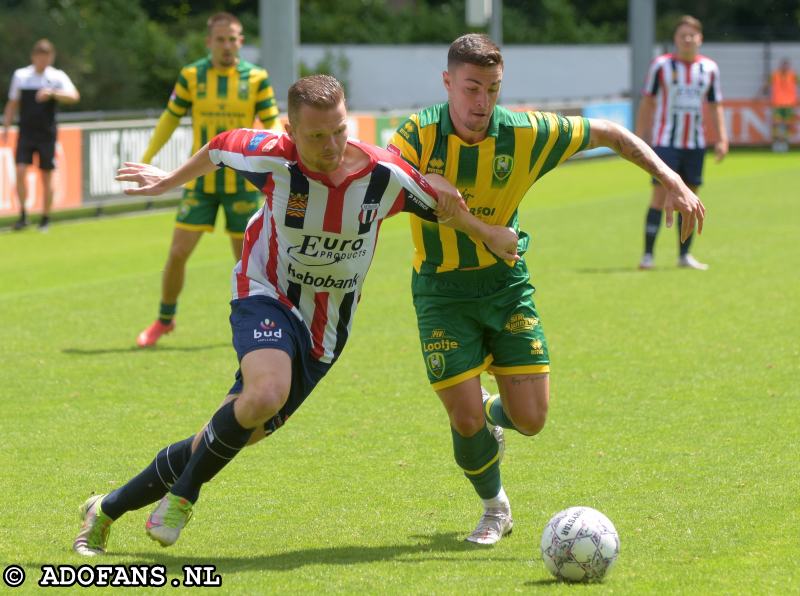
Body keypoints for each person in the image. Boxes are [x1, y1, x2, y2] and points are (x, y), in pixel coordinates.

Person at [72, 74, 519, 556]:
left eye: (340, 131)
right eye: (316, 136)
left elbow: (442, 203)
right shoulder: (271, 156)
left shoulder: (384, 176)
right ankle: (183, 497)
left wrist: (489, 234)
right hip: (264, 291)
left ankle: (106, 509)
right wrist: (168, 181)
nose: (331, 146)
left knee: (230, 430)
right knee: (265, 392)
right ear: (290, 130)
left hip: (325, 332)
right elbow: (220, 146)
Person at [386, 33, 706, 545]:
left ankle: (496, 414)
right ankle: (495, 509)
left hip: (507, 283)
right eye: (470, 88)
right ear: (448, 83)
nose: (481, 102)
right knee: (462, 416)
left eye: (491, 88)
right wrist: (420, 182)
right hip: (441, 291)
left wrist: (671, 178)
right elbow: (382, 171)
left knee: (530, 420)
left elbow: (610, 134)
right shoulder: (418, 134)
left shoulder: (525, 133)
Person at [136, 12, 281, 348]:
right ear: (209, 42)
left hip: (240, 184)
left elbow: (273, 124)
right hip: (201, 183)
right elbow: (170, 119)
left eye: (233, 39)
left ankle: (260, 323)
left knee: (246, 263)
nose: (227, 45)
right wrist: (146, 160)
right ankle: (164, 319)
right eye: (221, 39)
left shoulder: (256, 78)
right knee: (177, 253)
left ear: (241, 41)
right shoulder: (191, 76)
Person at [635, 15, 728, 272]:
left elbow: (714, 105)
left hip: (695, 144)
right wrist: (639, 137)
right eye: (682, 35)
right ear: (675, 39)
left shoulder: (709, 68)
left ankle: (684, 255)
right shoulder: (661, 66)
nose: (687, 39)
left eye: (692, 35)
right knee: (659, 195)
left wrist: (722, 138)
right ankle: (647, 255)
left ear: (700, 38)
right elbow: (648, 101)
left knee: (691, 198)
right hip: (666, 142)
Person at [1, 39, 79, 231]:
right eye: (40, 56)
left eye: (46, 57)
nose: (43, 61)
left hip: (47, 134)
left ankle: (45, 217)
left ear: (51, 57)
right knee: (20, 172)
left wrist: (53, 93)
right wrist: (6, 126)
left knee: (47, 175)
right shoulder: (21, 76)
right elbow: (12, 103)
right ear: (33, 56)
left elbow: (74, 96)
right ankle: (23, 215)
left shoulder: (56, 77)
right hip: (26, 132)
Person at [766, 58, 797, 153]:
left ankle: (785, 144)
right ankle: (776, 144)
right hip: (777, 104)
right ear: (780, 65)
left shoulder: (793, 75)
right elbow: (766, 85)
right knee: (776, 124)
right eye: (783, 65)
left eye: (786, 65)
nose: (785, 67)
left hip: (789, 104)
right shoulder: (775, 75)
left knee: (787, 125)